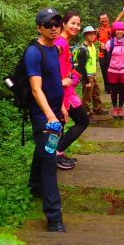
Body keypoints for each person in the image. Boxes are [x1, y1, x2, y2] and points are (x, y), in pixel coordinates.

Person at [25, 7, 68, 232]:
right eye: (48, 24)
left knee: (44, 151)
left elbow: (55, 81)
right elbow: (36, 89)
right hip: (43, 116)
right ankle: (54, 217)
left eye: (57, 24)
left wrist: (61, 106)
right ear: (38, 27)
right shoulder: (34, 52)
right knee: (50, 159)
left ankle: (34, 186)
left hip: (53, 113)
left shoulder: (54, 49)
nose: (54, 28)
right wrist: (50, 116)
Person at [54, 11, 90, 170]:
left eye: (78, 24)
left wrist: (74, 75)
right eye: (73, 23)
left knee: (59, 127)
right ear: (64, 24)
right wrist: (61, 80)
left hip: (66, 91)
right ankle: (56, 154)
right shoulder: (60, 43)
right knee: (81, 121)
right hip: (61, 93)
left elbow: (64, 66)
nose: (76, 26)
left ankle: (55, 154)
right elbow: (48, 65)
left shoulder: (64, 42)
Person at [96, 0, 124, 96]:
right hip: (102, 55)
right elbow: (92, 40)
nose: (104, 20)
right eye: (102, 19)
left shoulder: (113, 27)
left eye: (105, 18)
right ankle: (107, 88)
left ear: (108, 19)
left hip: (113, 54)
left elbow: (119, 18)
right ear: (99, 20)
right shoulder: (97, 31)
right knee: (105, 72)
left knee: (115, 72)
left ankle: (116, 88)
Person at [77, 26, 108, 120]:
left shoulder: (92, 45)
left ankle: (97, 108)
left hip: (93, 74)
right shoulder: (83, 49)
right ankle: (85, 112)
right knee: (87, 96)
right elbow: (81, 67)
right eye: (89, 34)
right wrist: (86, 81)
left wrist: (102, 50)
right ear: (85, 35)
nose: (92, 35)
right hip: (87, 76)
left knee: (96, 92)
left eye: (93, 33)